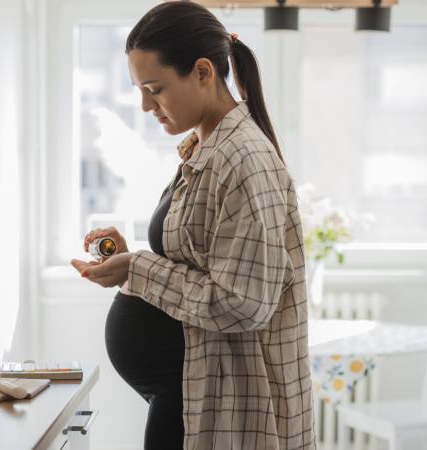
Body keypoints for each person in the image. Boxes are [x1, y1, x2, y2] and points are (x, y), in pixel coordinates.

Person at [71, 2, 313, 449]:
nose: (145, 105)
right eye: (139, 90)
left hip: (218, 400)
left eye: (155, 88)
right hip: (190, 391)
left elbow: (241, 302)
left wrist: (137, 269)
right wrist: (129, 258)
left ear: (203, 72)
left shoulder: (242, 159)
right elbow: (199, 262)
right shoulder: (207, 148)